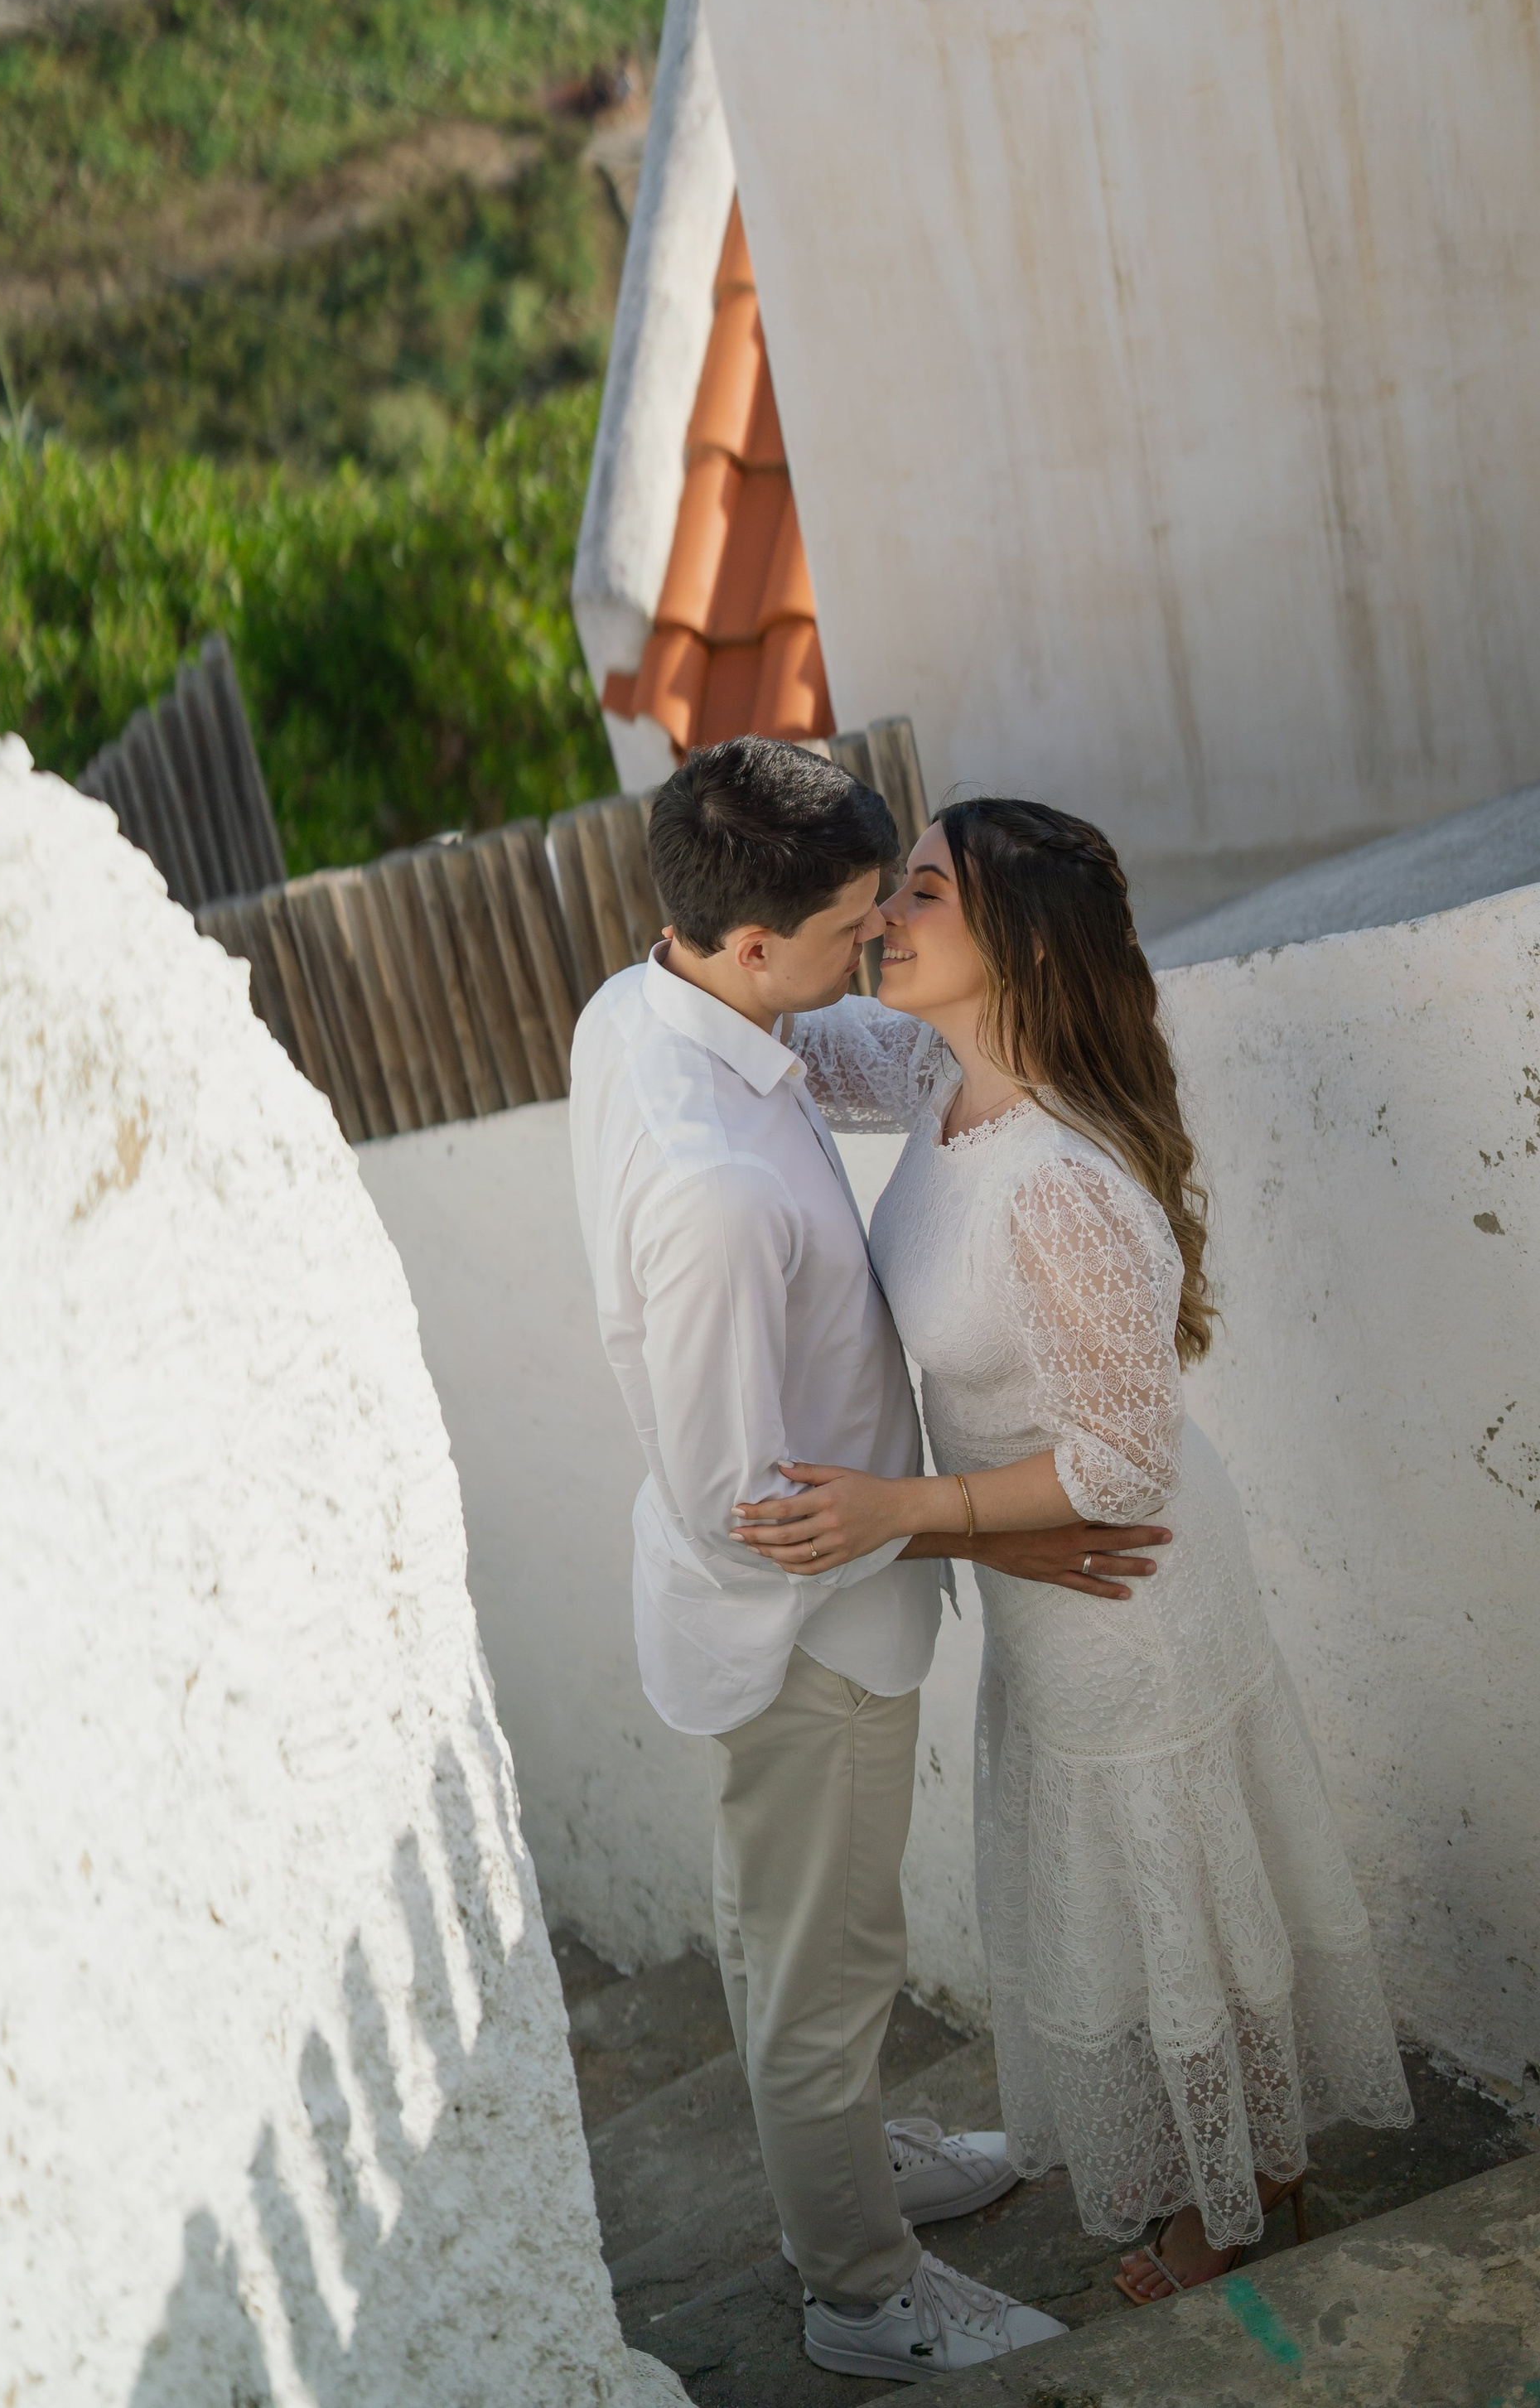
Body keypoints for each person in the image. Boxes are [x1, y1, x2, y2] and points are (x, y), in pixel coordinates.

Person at [733, 798, 1413, 2301]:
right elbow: (781, 1038)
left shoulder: (1055, 1181)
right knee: (1129, 1895)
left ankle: (1248, 2201)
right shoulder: (933, 1073)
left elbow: (1120, 1458)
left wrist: (907, 1514)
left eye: (919, 895)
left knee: (1179, 1888)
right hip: (1039, 1569)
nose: (885, 922)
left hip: (1128, 1586)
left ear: (1017, 943)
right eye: (891, 894)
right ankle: (1241, 2172)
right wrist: (723, 936)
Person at [567, 739, 1174, 2379]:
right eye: (857, 918)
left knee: (813, 1944)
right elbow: (727, 1498)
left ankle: (838, 2161)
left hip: (839, 1599)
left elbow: (877, 1044)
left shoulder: (649, 1003)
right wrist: (909, 1526)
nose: (877, 943)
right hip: (806, 1633)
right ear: (753, 945)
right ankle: (857, 2285)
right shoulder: (706, 1190)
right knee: (820, 1975)